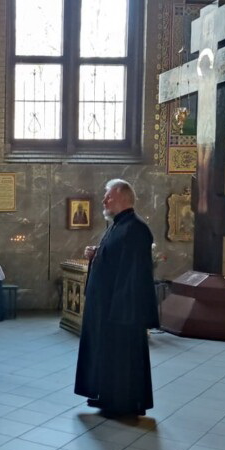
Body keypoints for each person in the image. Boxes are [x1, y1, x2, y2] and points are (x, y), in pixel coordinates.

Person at [75, 179, 157, 418]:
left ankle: (123, 403)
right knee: (108, 354)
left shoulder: (135, 228)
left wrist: (121, 309)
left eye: (108, 196)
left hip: (121, 309)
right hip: (107, 307)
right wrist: (96, 253)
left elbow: (133, 274)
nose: (104, 200)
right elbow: (115, 258)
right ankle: (107, 396)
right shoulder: (118, 225)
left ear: (122, 197)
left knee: (122, 357)